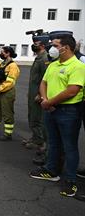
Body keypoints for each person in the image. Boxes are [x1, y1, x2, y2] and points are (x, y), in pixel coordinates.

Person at [30, 34, 85, 197]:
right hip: (51, 110)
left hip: (68, 111)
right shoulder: (53, 65)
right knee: (53, 142)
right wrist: (46, 100)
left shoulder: (77, 66)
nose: (51, 48)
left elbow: (72, 90)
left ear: (66, 48)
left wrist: (49, 102)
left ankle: (71, 180)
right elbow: (43, 82)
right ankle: (51, 170)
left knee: (69, 146)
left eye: (54, 45)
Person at [25, 34, 50, 154]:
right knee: (32, 116)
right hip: (33, 92)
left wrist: (40, 94)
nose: (33, 45)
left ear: (43, 45)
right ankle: (35, 137)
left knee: (37, 118)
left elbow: (45, 79)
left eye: (36, 43)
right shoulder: (39, 57)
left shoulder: (45, 59)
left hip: (38, 94)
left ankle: (40, 140)